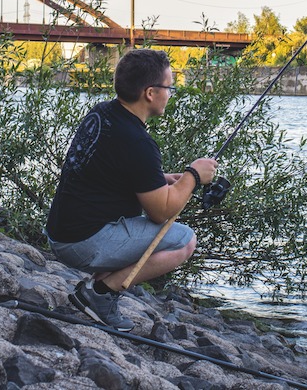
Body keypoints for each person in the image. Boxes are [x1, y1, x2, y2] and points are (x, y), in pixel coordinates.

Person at [45, 49, 217, 331]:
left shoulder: (103, 113)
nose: (170, 93)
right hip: (81, 245)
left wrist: (164, 179)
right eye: (169, 86)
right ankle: (100, 294)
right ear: (150, 93)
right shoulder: (138, 142)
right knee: (185, 241)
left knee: (160, 222)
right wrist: (194, 176)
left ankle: (97, 287)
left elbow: (110, 171)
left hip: (62, 232)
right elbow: (161, 212)